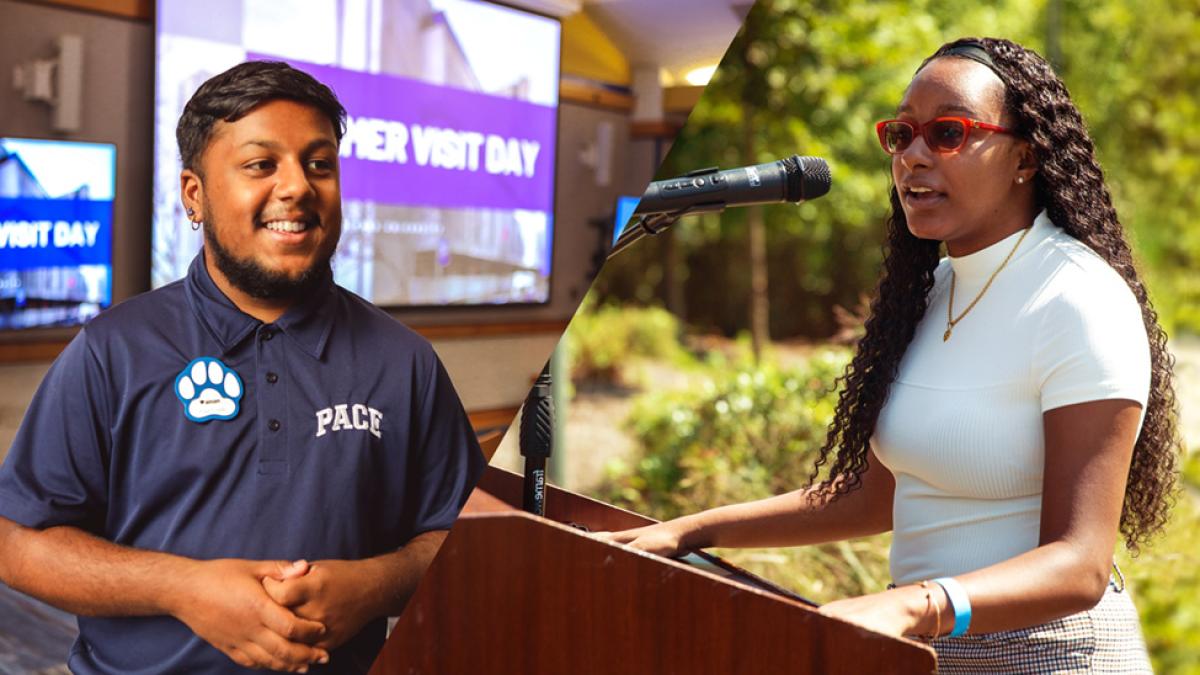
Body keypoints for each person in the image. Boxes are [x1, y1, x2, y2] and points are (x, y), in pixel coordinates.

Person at [601, 37, 1178, 672]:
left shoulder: (1077, 298)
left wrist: (917, 608)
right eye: (900, 135)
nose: (914, 156)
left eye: (949, 132)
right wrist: (689, 531)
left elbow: (1081, 563)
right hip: (926, 651)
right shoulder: (932, 292)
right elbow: (879, 496)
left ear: (1026, 156)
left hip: (1052, 655)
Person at [0, 61, 485, 674]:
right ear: (194, 195)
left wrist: (373, 585)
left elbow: (462, 540)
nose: (298, 188)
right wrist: (183, 588)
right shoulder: (113, 350)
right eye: (262, 165)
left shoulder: (404, 361)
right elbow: (18, 543)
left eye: (319, 163)